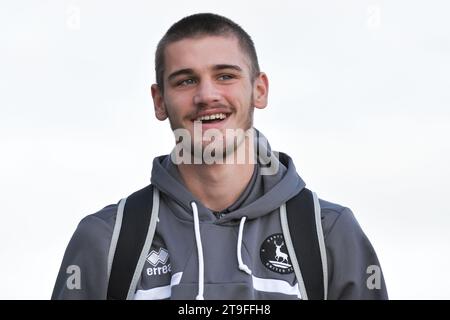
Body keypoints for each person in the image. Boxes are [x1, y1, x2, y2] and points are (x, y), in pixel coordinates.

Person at [52, 13, 388, 300]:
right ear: (159, 101)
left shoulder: (328, 234)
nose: (206, 95)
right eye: (186, 81)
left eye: (225, 76)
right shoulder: (106, 239)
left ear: (259, 90)